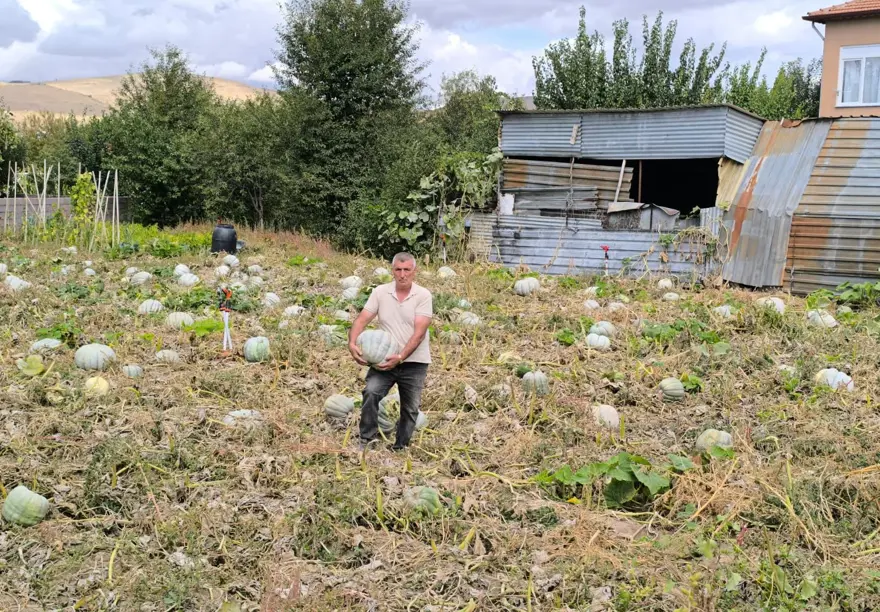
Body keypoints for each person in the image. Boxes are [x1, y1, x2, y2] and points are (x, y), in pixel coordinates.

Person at [348, 252, 432, 451]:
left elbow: (419, 333)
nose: (402, 275)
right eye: (398, 270)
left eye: (407, 270)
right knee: (371, 392)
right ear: (392, 271)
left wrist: (401, 357)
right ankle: (366, 439)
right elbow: (362, 319)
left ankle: (400, 446)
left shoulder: (423, 296)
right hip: (384, 359)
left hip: (414, 362)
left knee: (410, 408)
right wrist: (352, 342)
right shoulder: (380, 292)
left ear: (414, 271)